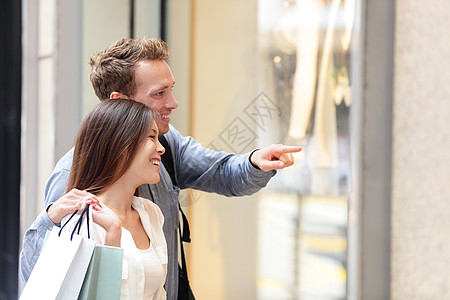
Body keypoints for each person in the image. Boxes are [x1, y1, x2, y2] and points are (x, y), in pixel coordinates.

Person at [20, 37, 302, 299]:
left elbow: (220, 172)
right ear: (120, 102)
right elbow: (43, 277)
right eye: (159, 93)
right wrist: (51, 219)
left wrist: (255, 162)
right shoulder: (74, 173)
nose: (173, 103)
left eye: (172, 89)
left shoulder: (152, 202)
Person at [54, 99, 167, 299]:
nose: (161, 148)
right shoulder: (81, 220)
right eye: (151, 137)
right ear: (122, 147)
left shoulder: (151, 214)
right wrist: (113, 234)